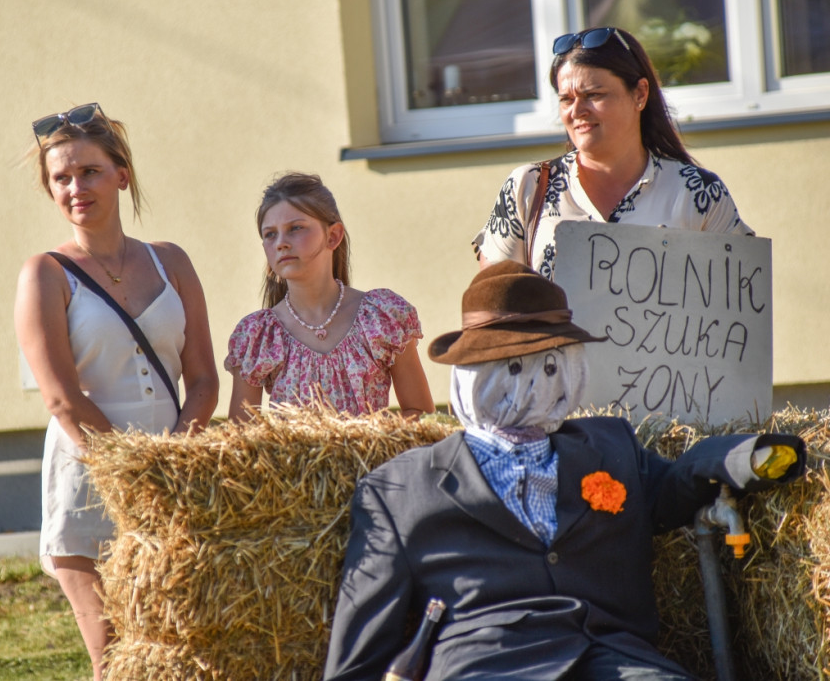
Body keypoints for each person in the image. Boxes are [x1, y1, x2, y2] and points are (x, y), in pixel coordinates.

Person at [323, 260, 805, 681]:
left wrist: (748, 457)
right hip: (487, 666)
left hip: (618, 662)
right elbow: (357, 661)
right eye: (515, 368)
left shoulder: (610, 445)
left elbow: (678, 483)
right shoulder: (399, 489)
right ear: (471, 375)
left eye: (552, 367)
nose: (538, 384)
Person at [14, 102, 219, 680]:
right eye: (61, 177)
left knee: (183, 652)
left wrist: (176, 456)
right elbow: (60, 397)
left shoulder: (171, 261)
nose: (76, 187)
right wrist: (133, 469)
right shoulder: (44, 274)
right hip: (90, 479)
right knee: (118, 661)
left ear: (121, 174)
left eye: (90, 171)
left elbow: (203, 378)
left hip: (171, 478)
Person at [472, 27, 753, 280]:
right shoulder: (528, 188)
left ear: (640, 94)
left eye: (593, 95)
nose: (577, 111)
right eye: (566, 99)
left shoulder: (698, 194)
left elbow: (740, 302)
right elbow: (494, 310)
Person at [225, 172, 434, 421]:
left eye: (296, 228)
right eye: (270, 234)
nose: (281, 243)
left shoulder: (382, 316)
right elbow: (241, 438)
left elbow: (421, 415)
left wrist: (375, 438)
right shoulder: (257, 336)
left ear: (333, 236)